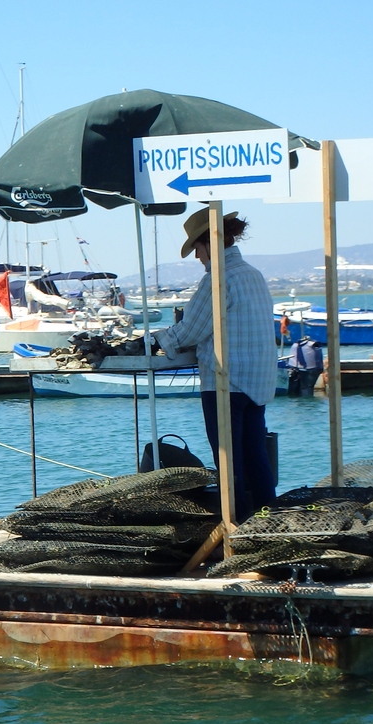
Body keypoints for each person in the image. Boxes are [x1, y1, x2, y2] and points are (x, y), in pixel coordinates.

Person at [152, 209, 277, 521]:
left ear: (209, 243)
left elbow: (191, 330)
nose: (197, 257)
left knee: (228, 464)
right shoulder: (253, 274)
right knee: (256, 458)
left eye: (197, 248)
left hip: (226, 382)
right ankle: (269, 522)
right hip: (257, 381)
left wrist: (156, 339)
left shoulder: (219, 278)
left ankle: (236, 529)